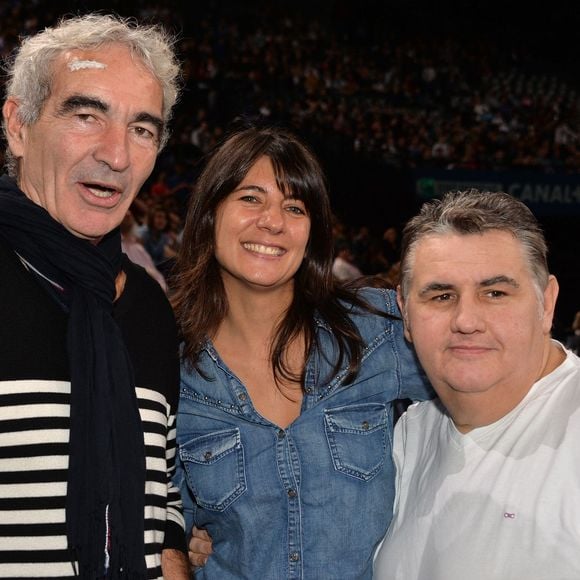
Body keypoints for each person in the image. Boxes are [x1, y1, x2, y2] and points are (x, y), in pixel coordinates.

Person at [170, 125, 431, 579]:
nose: (273, 221)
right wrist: (184, 544)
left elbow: (487, 387)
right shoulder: (171, 369)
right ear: (211, 214)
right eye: (251, 198)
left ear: (312, 233)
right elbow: (163, 524)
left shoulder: (376, 331)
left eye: (294, 207)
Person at [0, 13, 189, 579]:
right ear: (18, 126)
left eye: (142, 129)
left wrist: (174, 553)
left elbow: (163, 489)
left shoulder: (148, 310)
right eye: (87, 115)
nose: (116, 154)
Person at [374, 190, 580, 579]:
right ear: (404, 313)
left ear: (547, 304)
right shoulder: (409, 434)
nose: (466, 320)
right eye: (440, 295)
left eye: (495, 293)